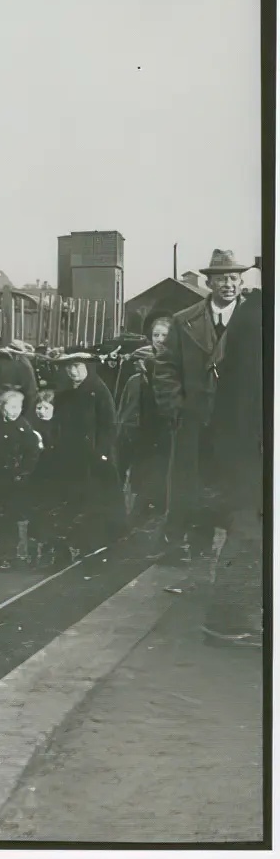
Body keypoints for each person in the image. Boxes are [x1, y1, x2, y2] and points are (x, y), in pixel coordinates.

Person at [151, 249, 250, 565]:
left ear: (241, 281)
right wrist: (177, 407)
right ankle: (190, 542)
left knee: (234, 485)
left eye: (234, 278)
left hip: (238, 421)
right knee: (190, 483)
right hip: (194, 418)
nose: (228, 285)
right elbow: (165, 367)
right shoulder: (184, 321)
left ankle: (236, 552)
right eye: (221, 279)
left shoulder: (258, 320)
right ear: (209, 283)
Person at [201, 280, 262, 647]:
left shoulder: (253, 312)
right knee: (250, 532)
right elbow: (251, 396)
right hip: (249, 450)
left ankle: (232, 618)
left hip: (244, 446)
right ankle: (228, 621)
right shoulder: (258, 318)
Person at [53, 350, 123, 562]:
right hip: (69, 454)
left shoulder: (98, 390)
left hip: (93, 456)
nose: (73, 372)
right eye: (69, 367)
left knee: (93, 500)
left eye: (77, 367)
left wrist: (101, 452)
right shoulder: (65, 391)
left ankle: (94, 545)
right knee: (70, 499)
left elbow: (108, 424)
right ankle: (68, 545)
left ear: (87, 367)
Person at [0, 388, 42, 570]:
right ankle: (5, 555)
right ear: (1, 407)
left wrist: (22, 473)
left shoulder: (24, 428)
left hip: (14, 481)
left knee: (11, 518)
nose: (15, 411)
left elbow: (33, 454)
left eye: (18, 407)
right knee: (1, 519)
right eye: (11, 407)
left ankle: (15, 556)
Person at [115, 344, 171, 526]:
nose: (137, 365)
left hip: (152, 438)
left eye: (140, 361)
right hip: (131, 433)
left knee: (149, 478)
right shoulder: (133, 381)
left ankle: (142, 517)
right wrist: (121, 427)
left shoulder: (160, 384)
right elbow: (123, 405)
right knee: (132, 477)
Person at [27, 390, 65, 566]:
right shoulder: (32, 427)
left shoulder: (58, 428)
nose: (41, 411)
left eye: (46, 408)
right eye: (38, 408)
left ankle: (51, 549)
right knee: (36, 513)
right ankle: (34, 551)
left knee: (52, 513)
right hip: (37, 476)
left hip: (54, 476)